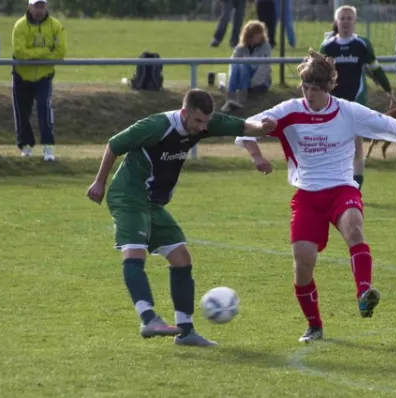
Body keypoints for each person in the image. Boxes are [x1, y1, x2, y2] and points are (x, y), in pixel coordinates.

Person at [234, 50, 396, 343]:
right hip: (307, 196)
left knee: (354, 228)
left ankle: (364, 292)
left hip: (342, 188)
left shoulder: (348, 111)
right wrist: (257, 154)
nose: (307, 94)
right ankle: (315, 326)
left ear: (327, 88)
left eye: (314, 89)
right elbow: (245, 128)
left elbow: (394, 126)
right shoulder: (289, 110)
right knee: (302, 265)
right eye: (304, 87)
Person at [86, 89, 275, 347]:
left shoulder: (204, 124)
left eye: (206, 122)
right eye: (198, 121)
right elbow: (114, 145)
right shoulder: (156, 126)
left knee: (181, 257)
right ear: (184, 113)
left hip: (152, 204)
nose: (202, 127)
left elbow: (243, 126)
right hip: (128, 196)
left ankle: (185, 331)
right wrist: (99, 182)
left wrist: (264, 126)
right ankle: (148, 318)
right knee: (134, 253)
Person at [319, 5, 396, 190]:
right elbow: (318, 74)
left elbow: (375, 68)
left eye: (349, 18)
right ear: (337, 22)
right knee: (333, 144)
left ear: (355, 21)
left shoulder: (362, 44)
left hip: (356, 102)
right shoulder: (328, 47)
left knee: (356, 146)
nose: (346, 21)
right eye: (342, 18)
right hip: (333, 103)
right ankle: (334, 183)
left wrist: (388, 89)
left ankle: (356, 187)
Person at [12, 0, 67, 161]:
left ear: (46, 7)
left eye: (42, 6)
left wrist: (35, 55)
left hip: (44, 75)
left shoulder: (56, 25)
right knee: (22, 111)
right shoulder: (20, 25)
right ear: (29, 7)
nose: (39, 10)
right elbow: (20, 52)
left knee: (44, 106)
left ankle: (48, 147)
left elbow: (61, 51)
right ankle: (26, 146)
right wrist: (45, 52)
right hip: (22, 75)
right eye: (36, 6)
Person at [221, 20, 272, 113]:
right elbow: (232, 65)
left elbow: (264, 68)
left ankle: (241, 98)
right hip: (242, 81)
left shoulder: (265, 46)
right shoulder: (240, 47)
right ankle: (230, 97)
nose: (259, 36)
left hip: (259, 82)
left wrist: (251, 83)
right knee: (236, 65)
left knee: (244, 65)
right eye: (257, 33)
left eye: (260, 33)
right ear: (249, 34)